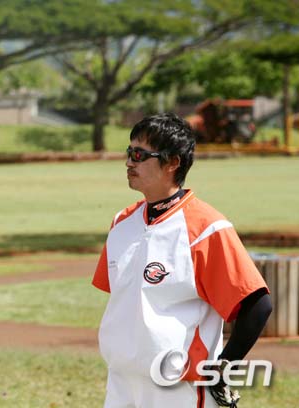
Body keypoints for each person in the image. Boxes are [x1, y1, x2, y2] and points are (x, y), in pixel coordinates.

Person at [92, 113, 272, 408]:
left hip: (177, 388)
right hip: (122, 382)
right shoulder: (121, 222)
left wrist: (223, 369)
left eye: (139, 155)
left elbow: (257, 304)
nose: (129, 163)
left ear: (172, 162)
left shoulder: (207, 228)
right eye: (129, 152)